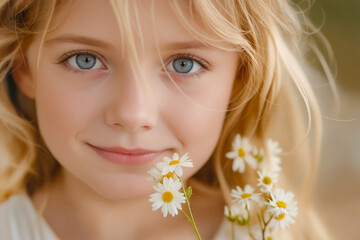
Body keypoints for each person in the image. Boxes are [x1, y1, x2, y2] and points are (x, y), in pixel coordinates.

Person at [0, 0, 334, 239]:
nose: (133, 114)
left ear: (240, 78)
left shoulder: (262, 232)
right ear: (24, 67)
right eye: (85, 60)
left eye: (184, 64)